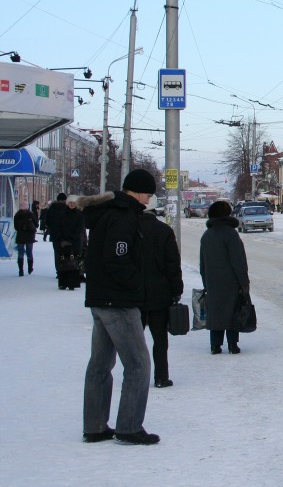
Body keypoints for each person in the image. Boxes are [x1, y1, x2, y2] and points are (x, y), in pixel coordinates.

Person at [80, 169, 160, 445]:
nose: (149, 199)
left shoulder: (106, 213)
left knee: (100, 365)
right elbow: (118, 258)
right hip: (119, 303)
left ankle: (94, 426)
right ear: (137, 191)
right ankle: (129, 427)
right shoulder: (124, 217)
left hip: (100, 299)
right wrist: (138, 288)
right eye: (148, 193)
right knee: (138, 364)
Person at [139, 208, 184, 389]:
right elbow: (173, 264)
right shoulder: (164, 231)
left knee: (135, 339)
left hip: (134, 293)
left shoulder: (130, 230)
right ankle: (161, 377)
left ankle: (136, 375)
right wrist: (176, 290)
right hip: (160, 293)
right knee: (160, 338)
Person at [200, 200, 251, 355]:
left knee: (215, 312)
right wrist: (244, 283)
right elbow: (239, 261)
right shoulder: (231, 234)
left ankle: (215, 345)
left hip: (212, 281)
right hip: (231, 282)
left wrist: (206, 282)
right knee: (232, 312)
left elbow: (202, 263)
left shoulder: (207, 235)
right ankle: (232, 344)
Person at [47, 193, 85, 289]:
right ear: (67, 203)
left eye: (74, 203)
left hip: (74, 242)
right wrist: (62, 239)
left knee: (74, 262)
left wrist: (71, 238)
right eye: (70, 202)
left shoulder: (79, 214)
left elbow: (79, 228)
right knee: (63, 261)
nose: (72, 204)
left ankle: (72, 283)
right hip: (63, 242)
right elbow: (57, 227)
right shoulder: (61, 214)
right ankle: (63, 283)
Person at [14, 201, 37, 276]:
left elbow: (16, 227)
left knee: (20, 254)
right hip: (29, 236)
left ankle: (21, 270)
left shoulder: (17, 215)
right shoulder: (31, 214)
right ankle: (30, 268)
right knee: (29, 253)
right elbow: (36, 224)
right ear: (27, 207)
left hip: (20, 236)